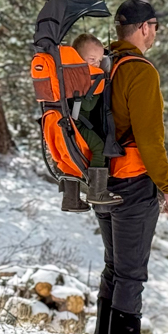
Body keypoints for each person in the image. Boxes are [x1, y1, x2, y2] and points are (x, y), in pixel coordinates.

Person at [89, 0, 168, 334]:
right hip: (132, 184)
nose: (155, 34)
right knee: (130, 275)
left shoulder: (104, 64)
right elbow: (149, 139)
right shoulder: (140, 72)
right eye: (155, 28)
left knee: (115, 268)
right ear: (146, 27)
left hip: (100, 180)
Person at [61, 33, 122, 208]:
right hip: (77, 125)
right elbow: (85, 106)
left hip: (67, 123)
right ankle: (96, 191)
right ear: (77, 57)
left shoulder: (69, 72)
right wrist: (98, 88)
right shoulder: (81, 77)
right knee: (100, 148)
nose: (96, 64)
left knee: (69, 159)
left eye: (99, 60)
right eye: (91, 59)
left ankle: (70, 199)